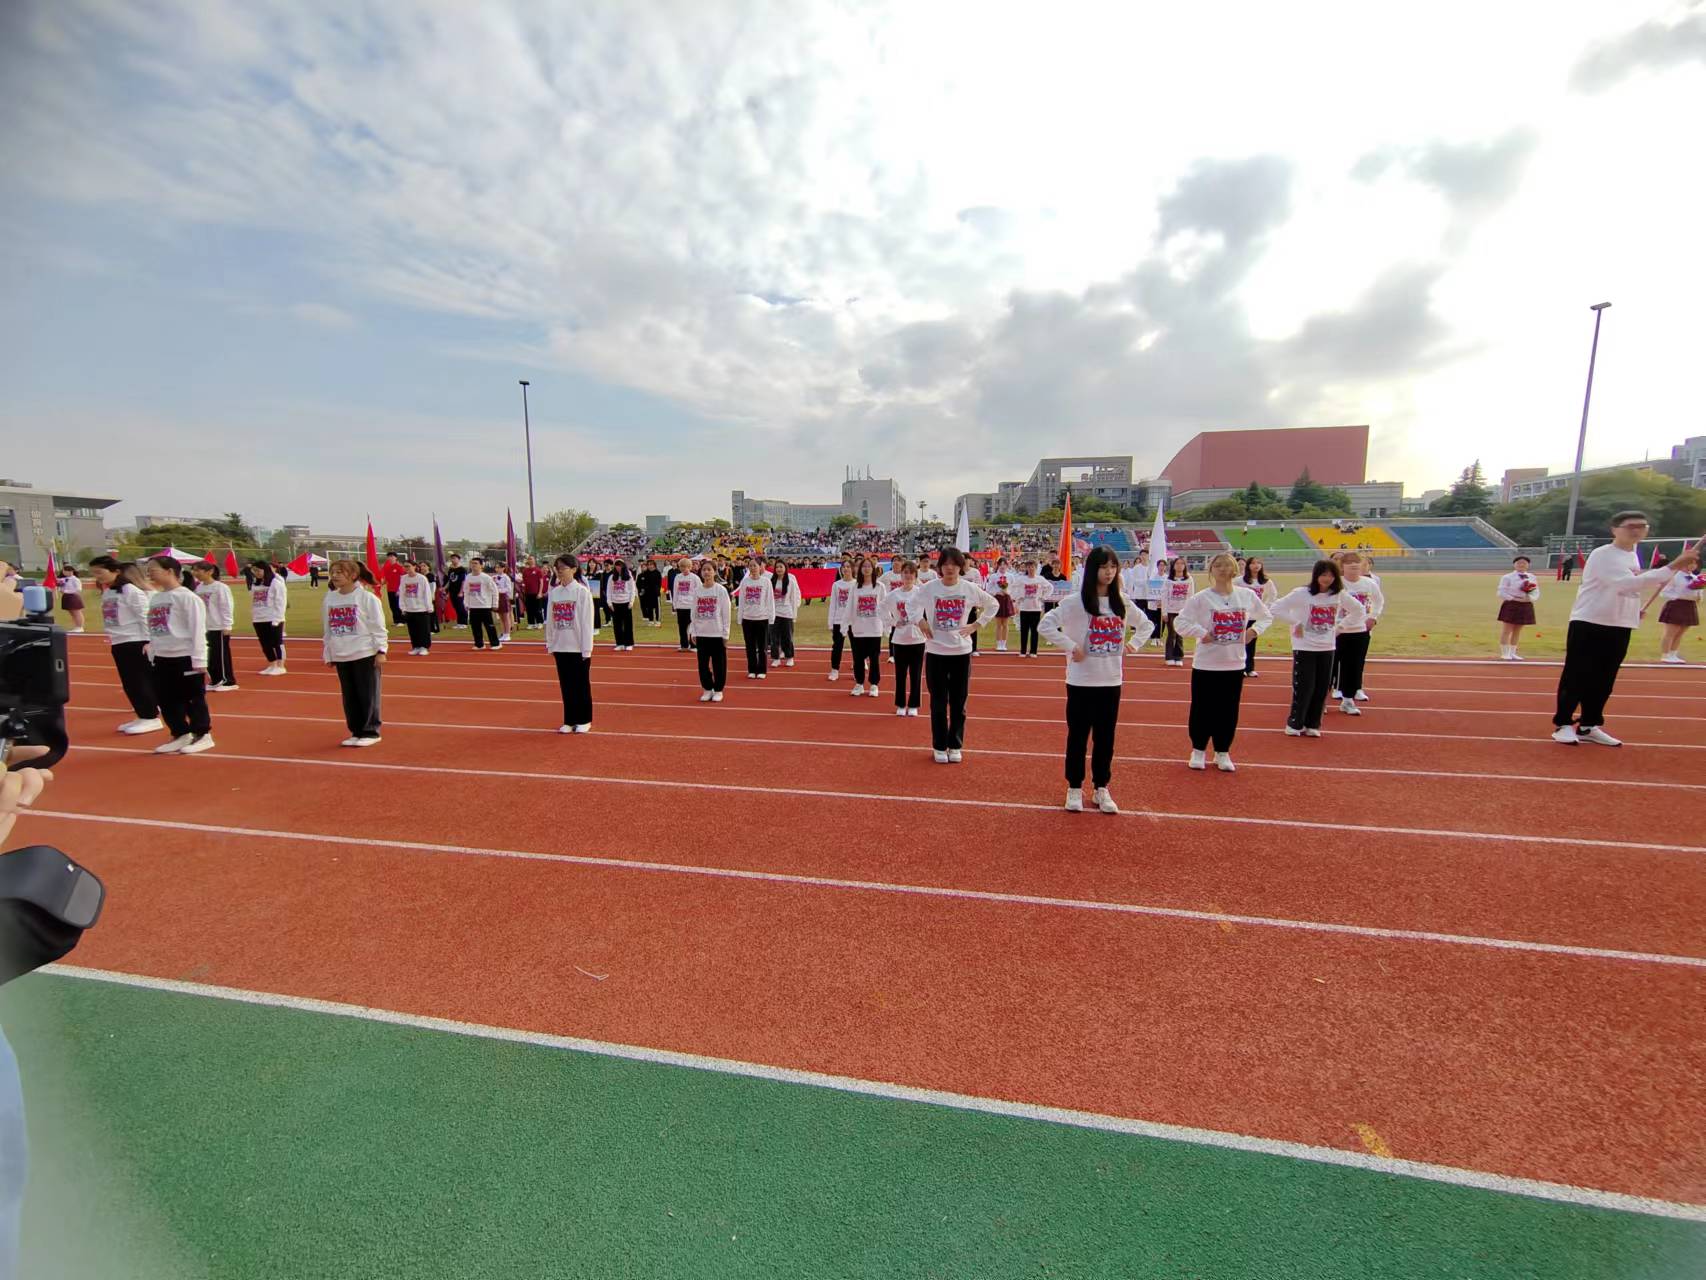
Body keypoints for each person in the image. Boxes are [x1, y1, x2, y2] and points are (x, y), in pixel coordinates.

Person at [1554, 514, 1699, 745]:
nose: (1636, 530)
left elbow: (1628, 589)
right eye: (1630, 526)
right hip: (1591, 621)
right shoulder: (1603, 554)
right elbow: (1624, 584)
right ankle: (1563, 724)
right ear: (1614, 529)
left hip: (1620, 623)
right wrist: (1673, 566)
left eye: (1642, 526)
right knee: (1577, 675)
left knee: (1605, 679)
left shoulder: (1632, 554)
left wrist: (1632, 610)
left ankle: (1589, 725)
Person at [1039, 546, 1153, 813]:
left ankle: (1101, 787)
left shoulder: (1121, 602)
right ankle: (1074, 788)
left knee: (1105, 739)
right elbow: (1045, 624)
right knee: (1078, 737)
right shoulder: (1075, 602)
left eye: (1113, 567)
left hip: (1111, 681)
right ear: (1093, 570)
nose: (1109, 572)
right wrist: (1071, 646)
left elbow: (1146, 624)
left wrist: (1133, 645)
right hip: (1081, 681)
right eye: (1103, 567)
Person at [1172, 552, 1271, 772]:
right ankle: (1198, 750)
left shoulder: (1246, 596)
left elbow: (1266, 616)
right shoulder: (1201, 598)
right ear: (1211, 571)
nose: (1223, 569)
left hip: (1234, 664)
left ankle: (1222, 751)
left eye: (1227, 565)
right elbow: (1180, 622)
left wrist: (1254, 631)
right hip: (1206, 664)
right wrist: (1201, 633)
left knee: (1228, 710)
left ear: (1235, 569)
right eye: (1218, 565)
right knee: (1202, 709)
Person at [912, 547, 998, 763]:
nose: (950, 568)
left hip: (961, 652)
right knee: (938, 702)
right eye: (946, 564)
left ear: (961, 566)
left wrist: (976, 624)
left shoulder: (969, 588)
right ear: (940, 567)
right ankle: (939, 745)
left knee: (959, 702)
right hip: (936, 652)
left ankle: (955, 745)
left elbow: (993, 604)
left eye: (954, 564)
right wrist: (920, 620)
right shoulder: (929, 588)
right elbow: (911, 604)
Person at [1268, 560, 1366, 737]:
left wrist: (1341, 626)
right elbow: (1275, 608)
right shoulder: (1301, 593)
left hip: (1327, 647)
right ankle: (1295, 723)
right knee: (1304, 687)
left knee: (1322, 688)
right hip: (1304, 646)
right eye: (1323, 574)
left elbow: (1358, 610)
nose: (1327, 578)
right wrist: (1295, 622)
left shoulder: (1338, 594)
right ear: (1316, 575)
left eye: (1331, 575)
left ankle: (1313, 724)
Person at [143, 556, 214, 755]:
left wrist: (199, 660)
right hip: (162, 657)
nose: (149, 574)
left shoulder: (187, 598)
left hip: (184, 657)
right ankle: (180, 733)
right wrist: (153, 650)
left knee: (192, 699)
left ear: (169, 571)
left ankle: (203, 734)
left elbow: (197, 631)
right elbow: (154, 627)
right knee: (166, 699)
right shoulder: (156, 598)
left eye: (153, 570)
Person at [87, 555, 163, 735]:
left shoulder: (131, 590)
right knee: (129, 682)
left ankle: (151, 717)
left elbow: (144, 616)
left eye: (100, 572)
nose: (97, 576)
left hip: (135, 641)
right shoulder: (109, 592)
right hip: (119, 641)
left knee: (139, 681)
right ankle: (142, 714)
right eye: (94, 573)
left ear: (116, 571)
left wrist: (149, 641)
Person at [321, 558, 388, 747]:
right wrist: (328, 652)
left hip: (364, 653)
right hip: (341, 653)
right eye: (333, 572)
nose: (334, 576)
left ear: (353, 575)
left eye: (339, 572)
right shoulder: (330, 598)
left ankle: (370, 732)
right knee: (349, 697)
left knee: (367, 694)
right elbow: (328, 628)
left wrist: (381, 650)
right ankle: (356, 731)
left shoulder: (367, 598)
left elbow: (378, 627)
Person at [544, 554, 595, 732]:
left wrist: (586, 649)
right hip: (560, 646)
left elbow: (587, 622)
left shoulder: (582, 592)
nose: (559, 571)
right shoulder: (555, 593)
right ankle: (570, 720)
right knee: (566, 685)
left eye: (563, 568)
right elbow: (550, 619)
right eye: (557, 568)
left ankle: (584, 720)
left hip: (577, 647)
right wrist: (550, 643)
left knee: (581, 685)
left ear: (574, 569)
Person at [1331, 553, 1384, 713]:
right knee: (1332, 664)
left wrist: (1373, 617)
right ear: (1342, 567)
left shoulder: (1369, 583)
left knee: (1354, 664)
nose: (1354, 570)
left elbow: (1379, 600)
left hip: (1361, 629)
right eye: (1350, 567)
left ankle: (1348, 699)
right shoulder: (1336, 583)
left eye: (1356, 567)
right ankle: (1324, 698)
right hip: (1338, 630)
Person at [883, 560, 926, 716]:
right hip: (900, 640)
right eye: (905, 573)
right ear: (901, 575)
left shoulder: (921, 592)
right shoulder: (894, 594)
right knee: (900, 675)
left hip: (917, 640)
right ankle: (900, 704)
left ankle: (913, 704)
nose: (908, 576)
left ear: (915, 576)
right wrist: (893, 622)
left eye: (911, 573)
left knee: (916, 675)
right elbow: (881, 608)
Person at [189, 562, 239, 692]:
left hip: (218, 627)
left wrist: (227, 624)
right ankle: (216, 680)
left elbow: (226, 606)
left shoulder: (220, 587)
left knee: (220, 655)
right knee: (209, 656)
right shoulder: (199, 588)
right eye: (193, 570)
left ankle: (228, 681)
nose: (195, 573)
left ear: (209, 571)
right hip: (205, 627)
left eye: (197, 570)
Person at [1646, 559, 1705, 664]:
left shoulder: (1695, 577)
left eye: (1694, 563)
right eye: (1690, 562)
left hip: (1690, 605)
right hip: (1676, 605)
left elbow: (1699, 594)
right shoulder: (1674, 577)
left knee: (1681, 632)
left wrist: (1699, 593)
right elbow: (1663, 592)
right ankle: (1665, 655)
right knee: (1671, 632)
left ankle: (1673, 654)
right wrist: (1678, 596)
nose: (1692, 565)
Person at [690, 561, 731, 702]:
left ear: (714, 572)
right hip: (701, 634)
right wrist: (693, 631)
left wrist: (725, 633)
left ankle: (718, 689)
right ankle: (707, 688)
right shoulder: (697, 591)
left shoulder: (720, 590)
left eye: (709, 569)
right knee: (702, 665)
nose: (706, 572)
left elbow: (726, 613)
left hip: (717, 634)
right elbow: (693, 613)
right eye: (704, 570)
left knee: (719, 664)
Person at [847, 558, 888, 697]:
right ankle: (859, 684)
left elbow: (884, 607)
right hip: (858, 628)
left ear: (873, 568)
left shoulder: (880, 587)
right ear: (860, 569)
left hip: (874, 628)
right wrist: (845, 624)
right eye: (863, 566)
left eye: (869, 566)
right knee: (858, 658)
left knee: (874, 658)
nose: (866, 568)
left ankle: (874, 684)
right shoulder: (855, 587)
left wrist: (887, 625)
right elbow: (849, 607)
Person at [734, 556, 776, 678]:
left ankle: (762, 670)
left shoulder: (766, 582)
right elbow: (741, 601)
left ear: (760, 566)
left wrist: (771, 617)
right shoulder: (745, 582)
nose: (752, 568)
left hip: (762, 618)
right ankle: (752, 669)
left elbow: (770, 600)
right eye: (750, 566)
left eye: (755, 565)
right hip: (747, 618)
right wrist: (740, 617)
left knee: (762, 647)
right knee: (750, 646)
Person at [248, 558, 289, 675]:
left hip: (272, 617)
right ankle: (272, 664)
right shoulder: (255, 584)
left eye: (258, 570)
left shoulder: (276, 583)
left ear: (265, 570)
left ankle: (281, 665)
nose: (256, 573)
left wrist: (278, 619)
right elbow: (254, 601)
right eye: (254, 571)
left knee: (277, 642)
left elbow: (281, 602)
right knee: (265, 643)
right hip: (258, 618)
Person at [1237, 557, 1277, 677]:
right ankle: (1240, 667)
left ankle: (1249, 668)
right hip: (1241, 616)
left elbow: (1273, 595)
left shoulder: (1266, 581)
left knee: (1251, 642)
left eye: (1258, 563)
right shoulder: (1240, 581)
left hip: (1255, 617)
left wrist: (1265, 607)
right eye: (1253, 563)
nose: (1256, 565)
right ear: (1248, 566)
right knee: (1239, 642)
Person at [1496, 555, 1540, 660]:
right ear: (1514, 564)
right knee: (1507, 630)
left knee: (1517, 630)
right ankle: (1505, 653)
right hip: (1512, 604)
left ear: (1528, 565)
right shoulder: (1507, 577)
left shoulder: (1532, 577)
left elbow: (1536, 591)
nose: (1521, 565)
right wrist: (1514, 598)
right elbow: (1501, 592)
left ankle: (1513, 653)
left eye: (1524, 563)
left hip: (1526, 604)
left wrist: (1530, 598)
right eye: (1519, 563)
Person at [826, 560, 856, 681]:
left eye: (848, 567)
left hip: (853, 621)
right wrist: (831, 623)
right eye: (844, 567)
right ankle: (834, 670)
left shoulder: (857, 584)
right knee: (837, 646)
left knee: (856, 647)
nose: (846, 569)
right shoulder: (836, 585)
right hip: (839, 620)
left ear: (853, 569)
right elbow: (833, 604)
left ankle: (858, 670)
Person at [399, 559, 437, 655]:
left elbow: (427, 593)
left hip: (421, 608)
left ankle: (424, 647)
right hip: (409, 609)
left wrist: (429, 607)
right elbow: (402, 593)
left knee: (423, 629)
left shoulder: (422, 578)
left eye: (408, 566)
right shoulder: (403, 578)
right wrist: (402, 607)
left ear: (414, 566)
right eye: (405, 566)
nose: (406, 568)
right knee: (413, 630)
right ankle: (416, 646)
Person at [1161, 557, 1193, 667]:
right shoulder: (1168, 580)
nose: (1179, 566)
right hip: (1171, 611)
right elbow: (1164, 596)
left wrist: (1190, 612)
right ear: (1173, 566)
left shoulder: (1189, 579)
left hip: (1183, 611)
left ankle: (1178, 657)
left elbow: (1191, 596)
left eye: (1182, 564)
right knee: (1172, 634)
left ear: (1185, 566)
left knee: (1180, 634)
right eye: (1177, 563)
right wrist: (1164, 612)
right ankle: (1169, 657)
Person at [463, 557, 500, 650]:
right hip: (473, 606)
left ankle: (495, 643)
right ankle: (479, 644)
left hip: (485, 606)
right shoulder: (468, 577)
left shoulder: (486, 578)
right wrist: (466, 603)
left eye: (476, 563)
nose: (473, 565)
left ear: (481, 566)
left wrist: (495, 604)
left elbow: (495, 591)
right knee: (475, 627)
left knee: (489, 626)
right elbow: (466, 591)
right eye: (472, 563)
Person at [768, 561, 800, 667]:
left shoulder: (791, 581)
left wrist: (794, 615)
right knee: (774, 638)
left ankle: (789, 657)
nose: (779, 569)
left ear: (785, 568)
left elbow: (794, 599)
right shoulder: (770, 581)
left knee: (787, 637)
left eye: (781, 567)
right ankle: (776, 658)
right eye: (777, 567)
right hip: (774, 613)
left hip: (787, 613)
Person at [1014, 558, 1046, 657]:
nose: (1031, 568)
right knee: (1024, 631)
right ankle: (1023, 651)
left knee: (1034, 631)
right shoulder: (1021, 579)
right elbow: (1013, 587)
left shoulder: (1040, 579)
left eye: (1032, 567)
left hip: (1036, 608)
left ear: (1036, 568)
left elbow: (1050, 587)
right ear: (1026, 568)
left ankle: (1033, 651)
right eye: (1028, 567)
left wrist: (1043, 597)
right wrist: (1017, 598)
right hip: (1024, 608)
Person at [605, 559, 637, 651]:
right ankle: (620, 643)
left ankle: (629, 643)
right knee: (617, 625)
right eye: (616, 565)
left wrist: (631, 602)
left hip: (626, 603)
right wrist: (609, 603)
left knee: (628, 625)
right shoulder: (611, 577)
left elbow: (632, 590)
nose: (618, 567)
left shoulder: (629, 577)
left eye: (620, 565)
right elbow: (608, 591)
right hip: (615, 604)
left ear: (623, 566)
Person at [669, 556, 698, 651]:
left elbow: (699, 591)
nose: (684, 569)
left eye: (686, 567)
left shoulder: (695, 578)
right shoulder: (677, 577)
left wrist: (697, 605)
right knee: (682, 626)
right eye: (682, 567)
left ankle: (694, 645)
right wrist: (674, 605)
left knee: (692, 626)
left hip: (691, 606)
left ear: (690, 567)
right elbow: (675, 591)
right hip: (681, 606)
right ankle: (684, 645)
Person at [988, 557, 1016, 652]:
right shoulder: (993, 576)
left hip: (1007, 599)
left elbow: (1014, 588)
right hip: (997, 599)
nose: (1002, 566)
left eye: (1004, 564)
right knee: (998, 623)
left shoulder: (1011, 576)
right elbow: (988, 588)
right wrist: (997, 592)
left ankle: (1004, 643)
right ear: (998, 565)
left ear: (1007, 565)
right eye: (1001, 564)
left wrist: (1008, 592)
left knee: (1005, 623)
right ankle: (998, 644)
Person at [57, 565, 86, 632]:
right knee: (72, 613)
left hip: (73, 597)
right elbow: (61, 588)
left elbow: (78, 589)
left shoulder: (75, 579)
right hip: (66, 597)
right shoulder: (63, 579)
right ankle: (76, 626)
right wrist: (60, 587)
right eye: (63, 571)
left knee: (76, 612)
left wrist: (67, 591)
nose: (64, 572)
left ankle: (80, 627)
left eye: (65, 571)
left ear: (71, 571)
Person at [637, 557, 664, 628]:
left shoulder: (657, 573)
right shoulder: (646, 573)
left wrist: (656, 590)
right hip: (647, 594)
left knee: (657, 608)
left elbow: (659, 584)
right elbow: (643, 583)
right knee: (649, 608)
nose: (649, 566)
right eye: (648, 565)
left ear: (654, 565)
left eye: (651, 564)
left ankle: (658, 621)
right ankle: (651, 620)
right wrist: (643, 590)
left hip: (655, 593)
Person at [380, 552, 406, 625]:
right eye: (389, 556)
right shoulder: (387, 568)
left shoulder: (399, 567)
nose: (390, 558)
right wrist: (380, 584)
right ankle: (396, 621)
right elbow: (386, 579)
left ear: (396, 558)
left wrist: (399, 590)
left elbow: (403, 579)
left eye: (392, 556)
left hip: (397, 590)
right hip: (389, 590)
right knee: (392, 606)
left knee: (398, 605)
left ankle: (402, 621)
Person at [444, 553, 469, 626]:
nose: (453, 560)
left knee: (460, 606)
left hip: (459, 591)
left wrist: (461, 592)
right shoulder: (451, 570)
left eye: (454, 558)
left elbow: (463, 581)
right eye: (452, 558)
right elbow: (450, 581)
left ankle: (464, 622)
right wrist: (444, 588)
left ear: (458, 559)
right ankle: (459, 622)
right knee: (456, 607)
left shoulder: (462, 569)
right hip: (452, 591)